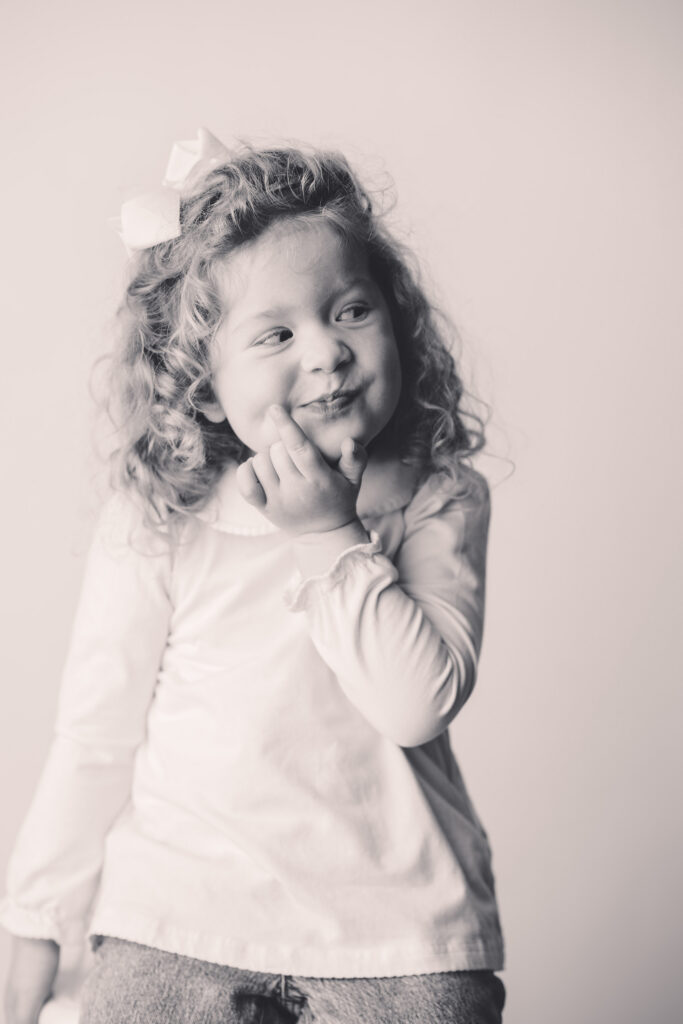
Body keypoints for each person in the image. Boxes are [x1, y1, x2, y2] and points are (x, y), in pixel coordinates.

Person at [2, 130, 506, 1024]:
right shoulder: (160, 517)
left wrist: (329, 535)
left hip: (396, 939)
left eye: (350, 310)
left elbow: (414, 702)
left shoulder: (435, 496)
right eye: (275, 332)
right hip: (174, 922)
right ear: (201, 380)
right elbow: (97, 732)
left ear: (394, 317)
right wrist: (38, 917)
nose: (325, 353)